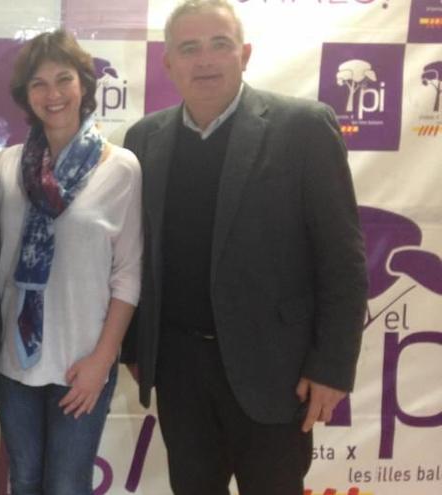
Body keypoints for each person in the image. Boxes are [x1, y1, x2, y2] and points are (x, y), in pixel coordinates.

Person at [121, 1, 368, 494]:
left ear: (245, 54)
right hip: (180, 372)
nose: (205, 60)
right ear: (168, 63)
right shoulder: (145, 138)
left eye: (220, 45)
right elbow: (140, 256)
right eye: (189, 48)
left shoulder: (303, 128)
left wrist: (332, 368)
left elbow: (342, 261)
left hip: (276, 373)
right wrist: (137, 347)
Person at [0, 29, 142, 494]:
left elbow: (128, 275)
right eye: (39, 84)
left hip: (82, 363)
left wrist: (103, 358)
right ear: (26, 95)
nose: (53, 94)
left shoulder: (120, 168)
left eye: (64, 79)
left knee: (67, 485)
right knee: (25, 481)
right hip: (15, 361)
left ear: (84, 85)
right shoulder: (7, 166)